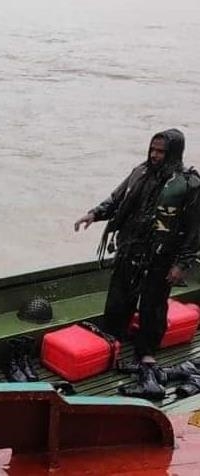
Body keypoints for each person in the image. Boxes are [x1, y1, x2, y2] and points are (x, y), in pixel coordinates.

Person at [74, 128, 200, 399]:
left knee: (153, 307)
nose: (154, 155)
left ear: (174, 153)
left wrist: (182, 264)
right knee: (118, 301)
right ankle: (112, 344)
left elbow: (194, 231)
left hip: (161, 258)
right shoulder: (139, 173)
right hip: (130, 250)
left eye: (161, 152)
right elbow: (116, 200)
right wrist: (93, 214)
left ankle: (146, 355)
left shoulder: (189, 185)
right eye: (152, 150)